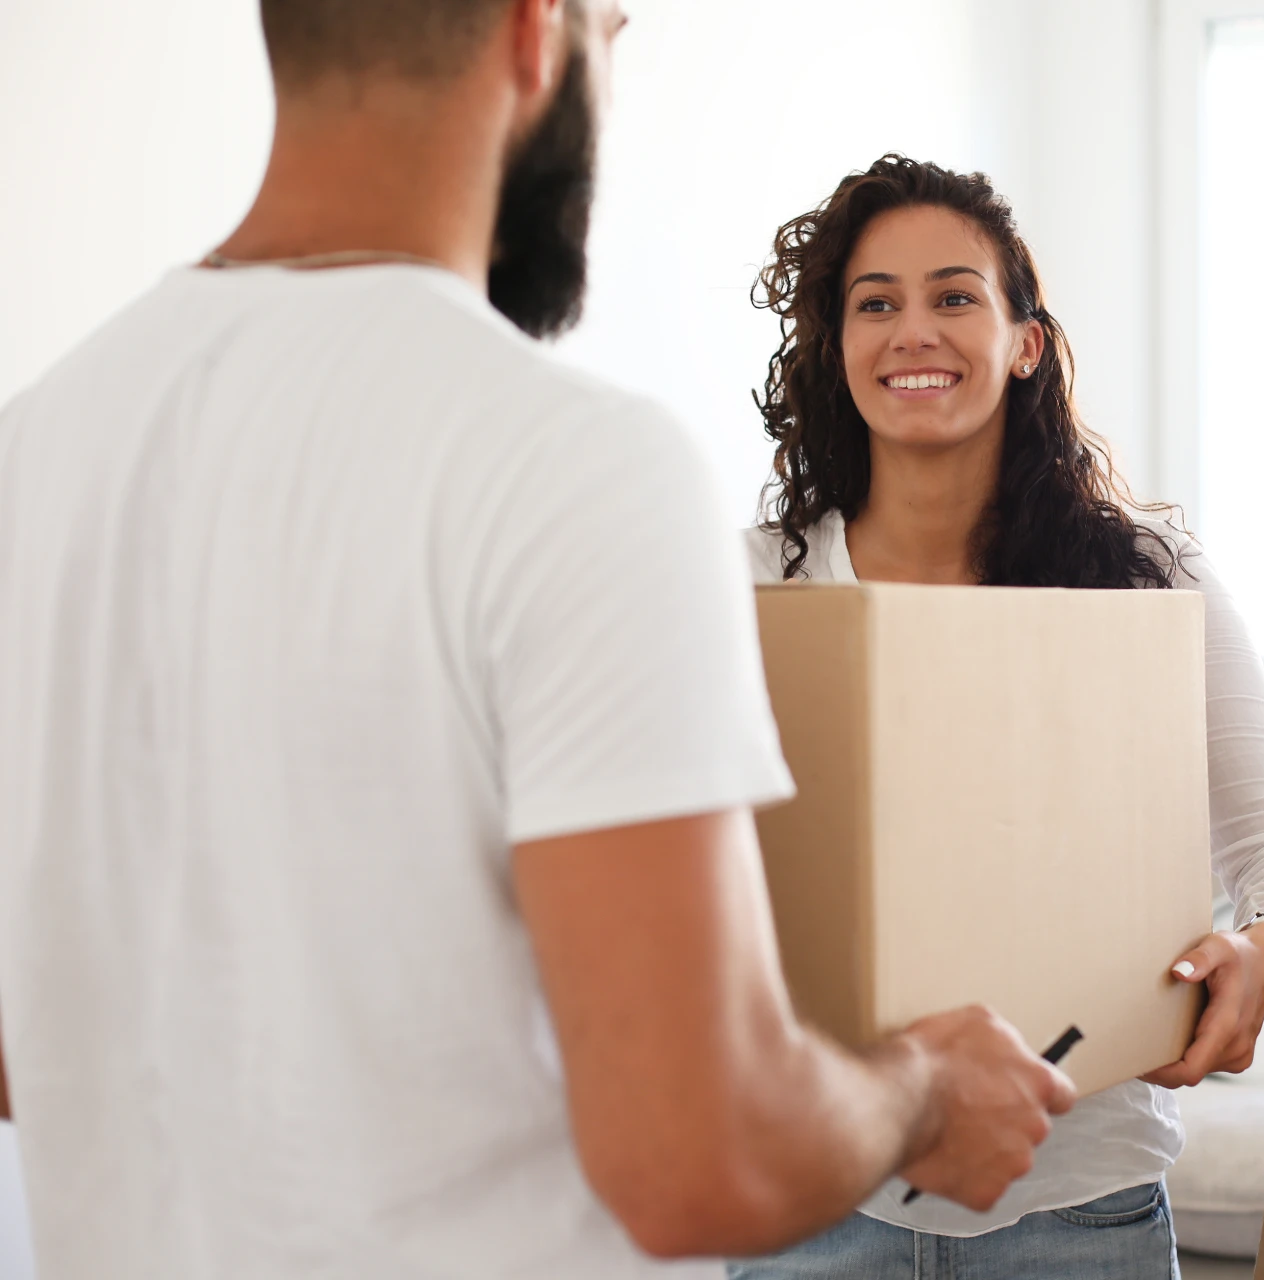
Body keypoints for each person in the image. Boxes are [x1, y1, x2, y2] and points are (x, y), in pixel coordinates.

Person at [0, 9, 1076, 1278]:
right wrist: (927, 1091)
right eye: (610, 31)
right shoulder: (578, 467)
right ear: (533, 34)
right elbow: (698, 1155)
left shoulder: (37, 445)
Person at [734, 155, 1264, 1279]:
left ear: (1025, 340)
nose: (912, 330)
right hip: (810, 1202)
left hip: (1081, 1211)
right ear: (837, 346)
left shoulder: (1145, 576)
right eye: (874, 303)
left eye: (954, 296)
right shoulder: (751, 589)